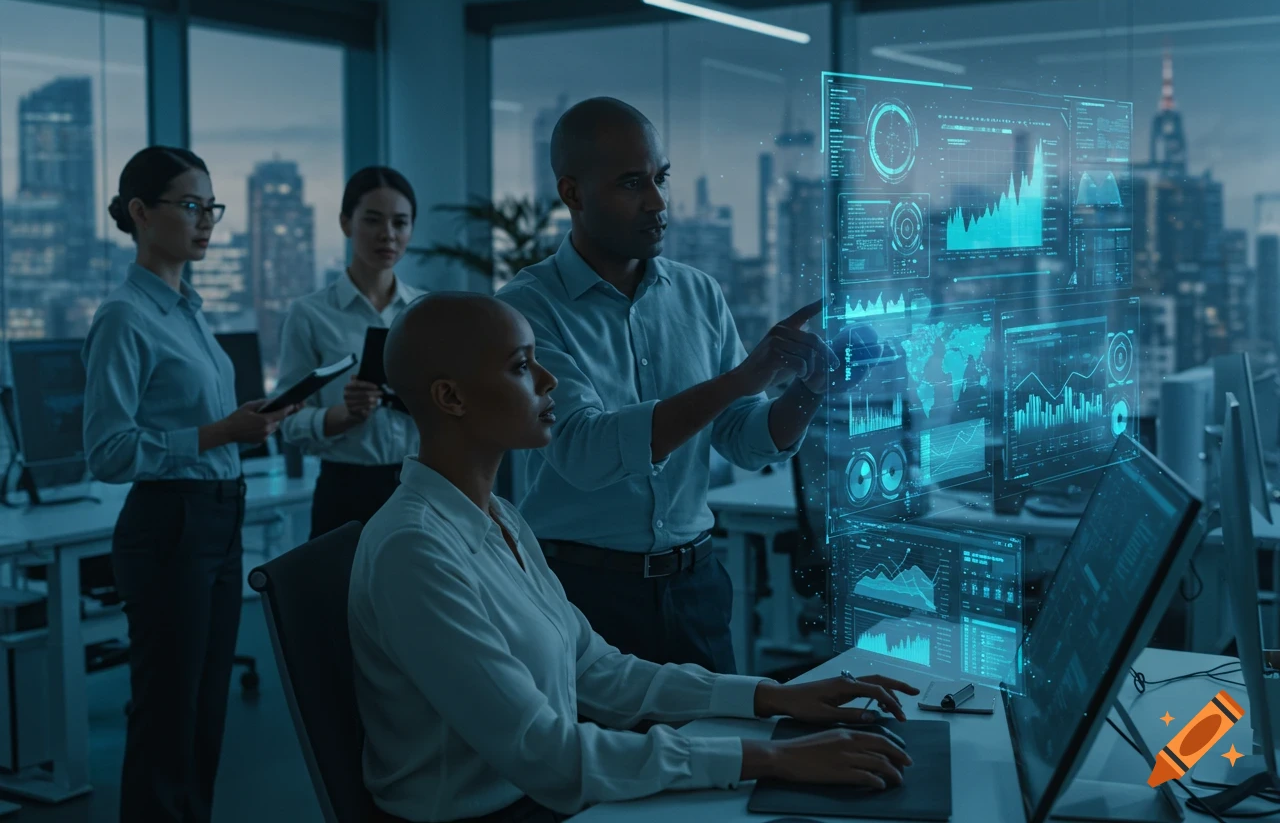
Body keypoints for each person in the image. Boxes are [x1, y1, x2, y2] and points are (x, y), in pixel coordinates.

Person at [349, 291, 916, 823]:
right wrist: (772, 759)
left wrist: (774, 697)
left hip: (537, 799)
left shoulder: (497, 516)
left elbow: (596, 669)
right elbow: (549, 756)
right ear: (451, 398)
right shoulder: (415, 549)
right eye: (522, 367)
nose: (550, 382)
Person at [496, 97, 879, 673]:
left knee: (718, 755)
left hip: (695, 587)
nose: (656, 203)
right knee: (602, 760)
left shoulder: (698, 294)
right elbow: (583, 450)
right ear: (571, 193)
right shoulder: (527, 309)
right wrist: (743, 377)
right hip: (582, 594)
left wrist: (807, 391)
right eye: (631, 183)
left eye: (660, 178)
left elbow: (744, 440)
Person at [82, 146, 300, 823]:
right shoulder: (125, 316)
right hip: (169, 524)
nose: (205, 220)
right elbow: (108, 451)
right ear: (142, 214)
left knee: (205, 717)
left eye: (211, 206)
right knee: (167, 719)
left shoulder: (190, 312)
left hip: (217, 517)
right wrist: (219, 435)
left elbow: (204, 421)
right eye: (189, 205)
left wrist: (244, 426)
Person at [277, 166, 426, 539]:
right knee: (340, 597)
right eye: (373, 220)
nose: (388, 235)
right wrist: (341, 417)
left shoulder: (427, 311)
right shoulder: (310, 313)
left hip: (421, 488)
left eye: (400, 223)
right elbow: (286, 420)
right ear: (346, 223)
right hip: (346, 491)